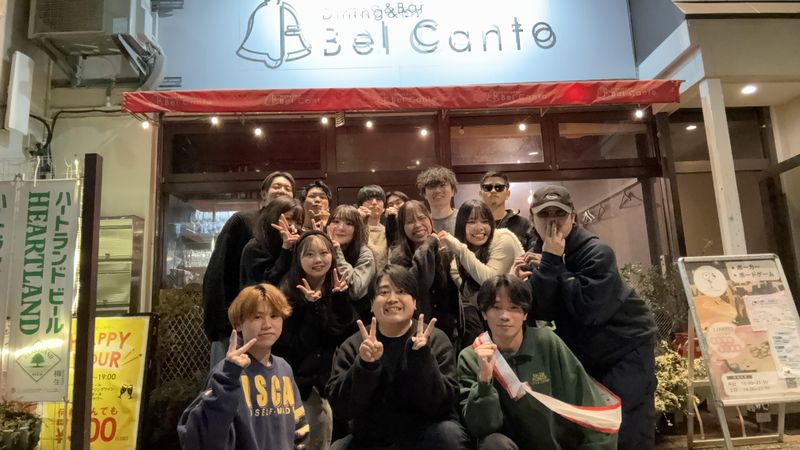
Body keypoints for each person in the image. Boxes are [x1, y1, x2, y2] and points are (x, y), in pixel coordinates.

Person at [513, 185, 657, 450]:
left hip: (625, 348)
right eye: (545, 214)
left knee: (626, 427)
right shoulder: (537, 250)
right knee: (590, 427)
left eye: (559, 213)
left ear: (573, 216)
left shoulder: (596, 252)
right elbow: (541, 309)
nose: (553, 221)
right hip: (585, 352)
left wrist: (552, 263)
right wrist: (520, 284)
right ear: (532, 218)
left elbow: (590, 310)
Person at [458, 275, 618, 450]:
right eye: (496, 308)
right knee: (493, 443)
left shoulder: (546, 342)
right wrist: (484, 381)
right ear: (484, 313)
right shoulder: (471, 357)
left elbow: (587, 404)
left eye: (514, 308)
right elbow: (481, 428)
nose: (505, 316)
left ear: (525, 314)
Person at [326, 265, 469, 450]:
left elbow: (443, 406)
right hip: (371, 439)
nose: (392, 299)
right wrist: (365, 366)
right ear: (371, 304)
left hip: (423, 435)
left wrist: (422, 357)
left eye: (401, 291)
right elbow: (341, 409)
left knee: (449, 434)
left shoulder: (435, 339)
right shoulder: (355, 344)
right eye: (384, 292)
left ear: (415, 302)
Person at [178, 283, 309, 450]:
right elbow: (201, 439)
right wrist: (229, 378)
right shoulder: (226, 373)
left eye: (274, 316)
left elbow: (299, 428)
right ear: (239, 323)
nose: (267, 324)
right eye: (257, 317)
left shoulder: (284, 369)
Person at [203, 171, 295, 368]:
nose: (282, 190)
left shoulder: (292, 230)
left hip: (274, 327)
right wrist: (220, 324)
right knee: (229, 378)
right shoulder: (243, 221)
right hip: (236, 324)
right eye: (276, 186)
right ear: (264, 193)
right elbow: (217, 272)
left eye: (288, 188)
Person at [276, 231, 357, 450]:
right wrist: (311, 308)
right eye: (309, 254)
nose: (318, 260)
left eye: (323, 253)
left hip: (332, 383)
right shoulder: (287, 294)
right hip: (301, 386)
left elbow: (347, 337)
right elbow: (295, 345)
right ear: (298, 260)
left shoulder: (338, 287)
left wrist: (340, 300)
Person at [439, 200, 524, 348]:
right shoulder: (456, 264)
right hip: (492, 320)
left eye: (485, 221)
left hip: (520, 316)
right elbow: (476, 299)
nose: (479, 228)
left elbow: (490, 281)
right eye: (471, 222)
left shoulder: (504, 239)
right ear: (461, 226)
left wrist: (460, 249)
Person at [389, 200, 462, 349]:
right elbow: (418, 285)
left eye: (422, 218)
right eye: (410, 221)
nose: (417, 225)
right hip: (416, 331)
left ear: (429, 219)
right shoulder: (398, 258)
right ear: (402, 227)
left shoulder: (446, 251)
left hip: (447, 330)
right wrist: (428, 245)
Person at [239, 196, 304, 289]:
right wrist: (285, 249)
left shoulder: (297, 247)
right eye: (288, 219)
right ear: (273, 217)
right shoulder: (255, 248)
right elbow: (266, 287)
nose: (293, 226)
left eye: (298, 222)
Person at [327, 205, 377, 320]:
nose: (340, 228)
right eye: (336, 221)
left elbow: (356, 290)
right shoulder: (320, 247)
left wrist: (337, 251)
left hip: (356, 319)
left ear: (357, 229)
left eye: (349, 223)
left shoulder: (365, 253)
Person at [478, 171, 532, 249]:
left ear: (507, 194)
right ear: (481, 194)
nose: (493, 191)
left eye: (499, 187)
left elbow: (533, 252)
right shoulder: (471, 224)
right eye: (488, 188)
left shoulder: (522, 223)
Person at [416, 166, 458, 234]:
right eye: (432, 186)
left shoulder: (465, 219)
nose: (437, 191)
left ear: (453, 191)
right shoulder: (421, 224)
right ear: (424, 194)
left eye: (442, 185)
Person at [356, 184, 389, 270]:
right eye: (368, 199)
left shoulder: (389, 230)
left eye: (378, 199)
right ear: (360, 206)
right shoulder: (354, 229)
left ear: (384, 208)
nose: (374, 202)